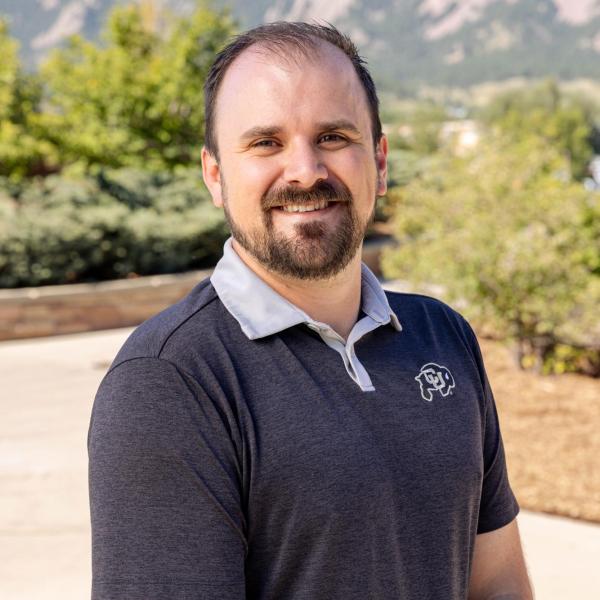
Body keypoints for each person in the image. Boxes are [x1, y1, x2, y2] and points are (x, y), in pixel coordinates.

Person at [88, 22, 533, 600]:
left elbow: (496, 581)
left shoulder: (442, 336)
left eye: (333, 136)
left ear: (379, 159)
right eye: (266, 143)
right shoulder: (169, 383)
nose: (304, 171)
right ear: (216, 176)